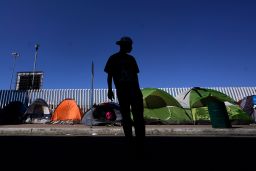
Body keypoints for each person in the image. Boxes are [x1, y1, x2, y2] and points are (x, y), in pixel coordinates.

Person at [104, 36, 145, 156]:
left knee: (134, 117)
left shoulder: (130, 59)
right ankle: (134, 143)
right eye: (129, 45)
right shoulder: (114, 58)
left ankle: (136, 143)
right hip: (125, 92)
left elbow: (135, 76)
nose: (131, 48)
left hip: (129, 91)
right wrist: (110, 89)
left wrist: (111, 89)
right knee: (130, 117)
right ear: (125, 46)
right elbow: (110, 75)